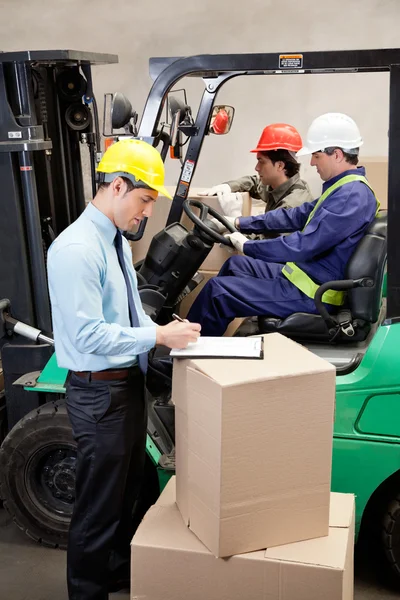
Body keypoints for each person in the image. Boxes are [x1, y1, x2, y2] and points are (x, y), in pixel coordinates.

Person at [47, 139, 201, 600]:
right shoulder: (76, 249)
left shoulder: (112, 239)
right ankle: (86, 591)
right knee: (99, 507)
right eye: (145, 201)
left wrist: (161, 328)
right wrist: (157, 338)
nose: (146, 214)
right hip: (99, 395)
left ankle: (117, 570)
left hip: (125, 388)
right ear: (118, 186)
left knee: (134, 487)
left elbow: (127, 310)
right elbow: (88, 335)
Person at [187, 113, 379, 337]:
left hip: (313, 292)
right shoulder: (343, 189)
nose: (311, 162)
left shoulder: (350, 196)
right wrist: (238, 222)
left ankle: (183, 361)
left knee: (217, 292)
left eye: (316, 155)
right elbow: (295, 216)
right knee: (235, 266)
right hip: (303, 276)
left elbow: (302, 245)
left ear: (336, 155)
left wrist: (248, 246)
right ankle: (213, 343)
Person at [200, 123, 312, 218]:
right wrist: (228, 186)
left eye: (261, 161)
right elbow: (254, 183)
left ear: (280, 166)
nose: (257, 168)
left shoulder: (291, 205)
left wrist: (235, 218)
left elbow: (264, 242)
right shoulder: (278, 186)